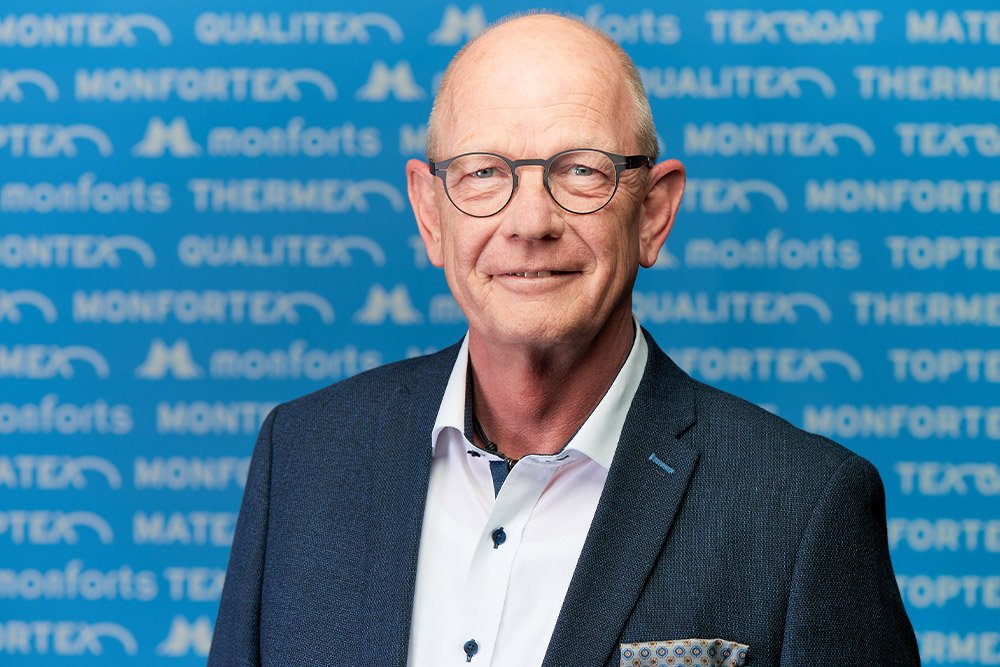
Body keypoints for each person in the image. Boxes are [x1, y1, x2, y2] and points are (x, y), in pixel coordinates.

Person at [208, 13, 920, 667]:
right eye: (484, 172)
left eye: (580, 170)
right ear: (430, 213)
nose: (530, 223)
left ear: (654, 212)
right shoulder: (301, 457)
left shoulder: (801, 506)